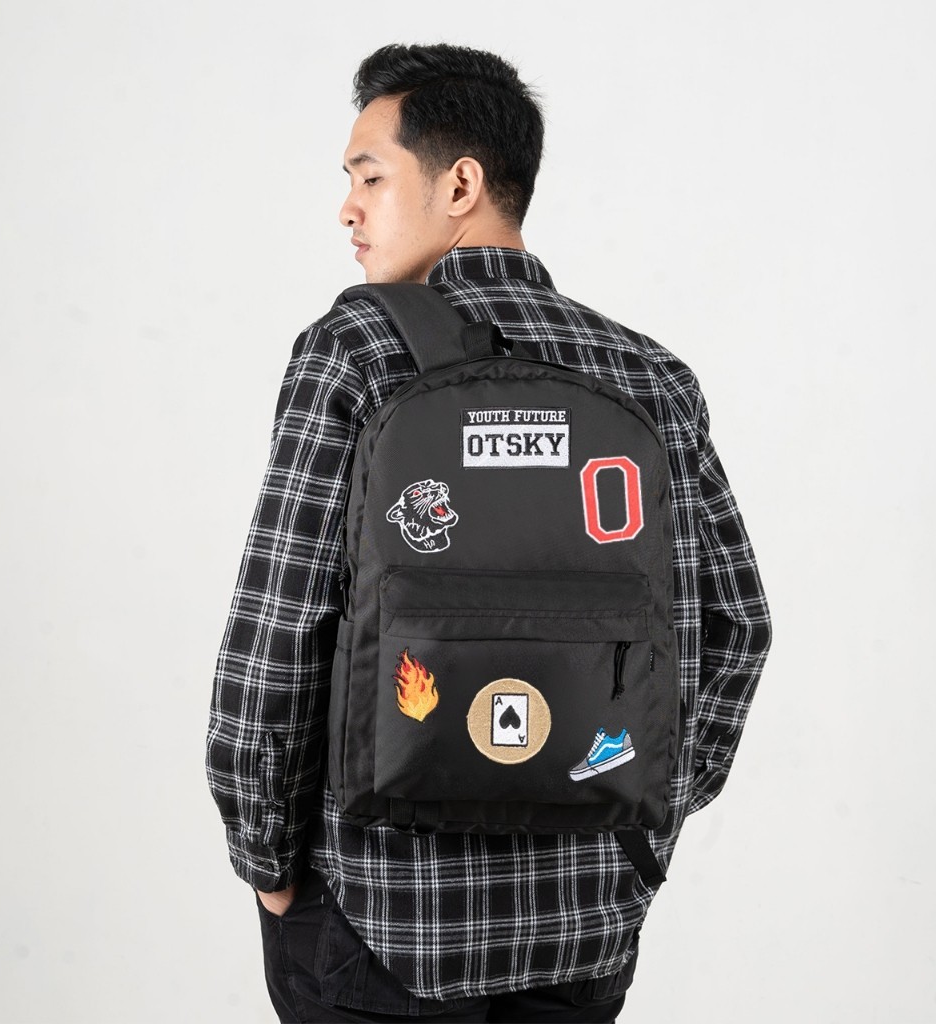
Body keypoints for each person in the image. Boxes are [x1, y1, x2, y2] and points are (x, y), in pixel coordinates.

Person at [206, 42, 772, 1023]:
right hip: (584, 927)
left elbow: (276, 638)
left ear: (460, 183)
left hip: (379, 926)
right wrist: (637, 828)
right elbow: (734, 626)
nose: (347, 209)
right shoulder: (647, 376)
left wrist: (268, 863)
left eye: (369, 177)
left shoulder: (356, 350)